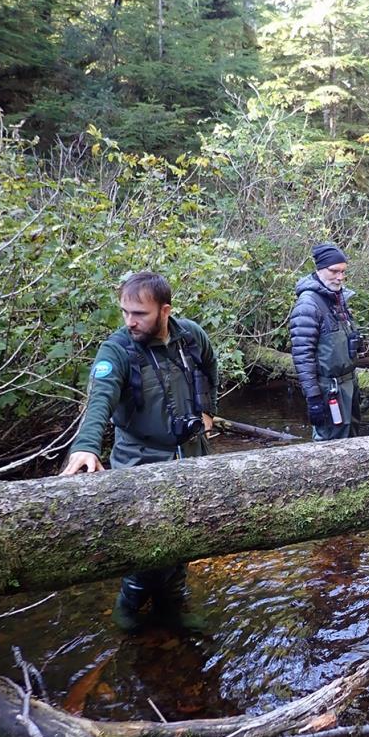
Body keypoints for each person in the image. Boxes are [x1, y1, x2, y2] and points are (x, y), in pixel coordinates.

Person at [60, 271, 218, 632]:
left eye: (139, 314)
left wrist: (209, 409)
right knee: (147, 543)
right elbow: (100, 398)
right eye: (125, 312)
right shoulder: (116, 350)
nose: (130, 321)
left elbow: (210, 367)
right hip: (139, 460)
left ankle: (172, 605)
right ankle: (128, 606)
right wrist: (85, 447)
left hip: (192, 454)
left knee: (188, 534)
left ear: (165, 310)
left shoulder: (190, 336)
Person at [289, 242, 361, 440]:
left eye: (343, 272)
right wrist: (313, 398)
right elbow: (302, 356)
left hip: (348, 383)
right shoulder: (308, 305)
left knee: (352, 438)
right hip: (329, 389)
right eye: (334, 271)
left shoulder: (338, 299)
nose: (340, 277)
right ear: (319, 269)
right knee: (330, 443)